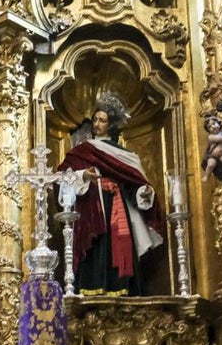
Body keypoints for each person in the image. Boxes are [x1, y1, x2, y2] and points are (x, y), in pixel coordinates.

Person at [56, 92, 163, 296]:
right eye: (95, 119)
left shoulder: (125, 156)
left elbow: (135, 185)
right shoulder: (83, 151)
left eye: (102, 120)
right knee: (96, 248)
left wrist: (144, 191)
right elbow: (61, 177)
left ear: (111, 125)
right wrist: (83, 176)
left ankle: (122, 289)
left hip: (118, 208)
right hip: (92, 210)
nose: (97, 124)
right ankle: (92, 288)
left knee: (117, 245)